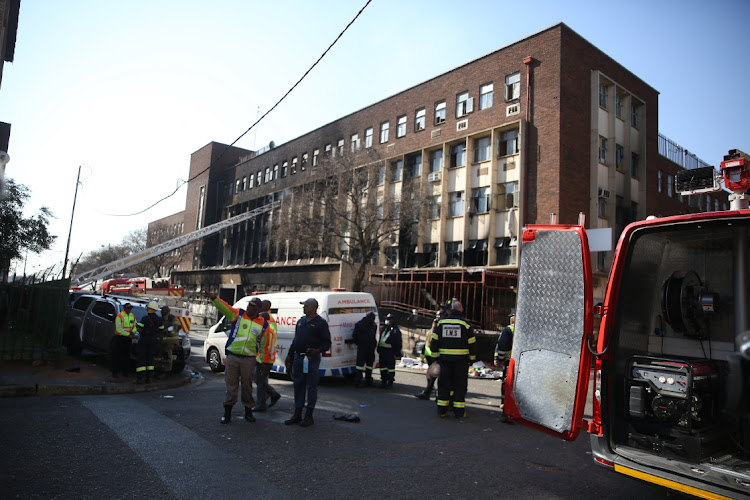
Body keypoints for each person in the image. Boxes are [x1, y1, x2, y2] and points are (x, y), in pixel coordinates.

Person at [203, 291, 270, 424]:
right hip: (233, 356)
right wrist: (214, 298)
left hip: (249, 359)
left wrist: (264, 362)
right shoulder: (238, 315)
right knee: (231, 386)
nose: (249, 307)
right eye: (249, 305)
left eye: (252, 306)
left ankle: (248, 412)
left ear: (258, 309)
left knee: (247, 386)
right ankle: (227, 413)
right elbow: (225, 307)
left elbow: (265, 345)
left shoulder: (263, 324)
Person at [284, 298, 331, 427]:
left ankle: (309, 415)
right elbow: (296, 340)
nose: (303, 308)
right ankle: (297, 414)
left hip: (311, 359)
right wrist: (289, 355)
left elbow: (327, 343)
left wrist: (317, 350)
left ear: (313, 307)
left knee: (311, 386)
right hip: (299, 358)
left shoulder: (321, 323)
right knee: (298, 385)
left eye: (306, 306)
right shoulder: (300, 322)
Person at [432, 299, 477, 418]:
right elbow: (472, 343)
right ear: (460, 309)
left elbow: (434, 342)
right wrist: (471, 359)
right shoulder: (466, 324)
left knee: (444, 385)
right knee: (459, 386)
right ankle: (459, 412)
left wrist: (435, 358)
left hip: (445, 361)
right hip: (461, 362)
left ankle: (442, 411)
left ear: (451, 310)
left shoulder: (441, 323)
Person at [414, 302, 449, 400]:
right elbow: (430, 340)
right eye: (437, 315)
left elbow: (437, 341)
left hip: (441, 355)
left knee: (439, 376)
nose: (437, 317)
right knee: (433, 375)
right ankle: (428, 392)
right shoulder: (435, 325)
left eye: (439, 315)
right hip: (433, 355)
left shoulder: (443, 325)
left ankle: (434, 394)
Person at [252, 300, 281, 412]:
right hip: (262, 356)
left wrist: (265, 359)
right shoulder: (266, 318)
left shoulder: (267, 320)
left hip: (265, 357)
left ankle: (261, 404)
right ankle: (272, 394)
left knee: (261, 381)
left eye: (261, 305)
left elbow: (267, 341)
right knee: (259, 380)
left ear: (266, 306)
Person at [135, 301, 164, 384]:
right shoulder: (159, 319)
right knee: (150, 359)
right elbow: (161, 329)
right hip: (153, 341)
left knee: (141, 358)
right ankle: (149, 377)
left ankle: (141, 377)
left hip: (144, 340)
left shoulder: (144, 319)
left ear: (149, 309)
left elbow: (139, 329)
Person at [495, 313, 515, 423]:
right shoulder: (526, 329)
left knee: (507, 387)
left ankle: (506, 413)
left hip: (510, 363)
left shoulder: (509, 330)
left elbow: (501, 345)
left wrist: (499, 359)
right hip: (525, 364)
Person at [350, 311, 377, 388]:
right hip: (363, 347)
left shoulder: (373, 325)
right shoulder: (360, 324)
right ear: (368, 317)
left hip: (371, 348)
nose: (373, 320)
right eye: (372, 318)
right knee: (359, 366)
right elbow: (355, 336)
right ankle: (358, 381)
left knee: (369, 365)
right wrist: (360, 344)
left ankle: (368, 381)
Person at [377, 313, 402, 389]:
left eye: (389, 319)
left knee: (390, 367)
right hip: (382, 350)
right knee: (382, 367)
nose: (387, 321)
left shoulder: (395, 330)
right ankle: (383, 381)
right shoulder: (384, 328)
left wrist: (397, 353)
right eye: (386, 319)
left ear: (392, 320)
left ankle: (390, 382)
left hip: (390, 351)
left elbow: (398, 342)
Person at [112, 303, 137, 378]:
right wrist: (128, 334)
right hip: (120, 338)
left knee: (126, 356)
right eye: (128, 308)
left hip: (128, 339)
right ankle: (115, 373)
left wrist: (133, 331)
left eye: (130, 308)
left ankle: (125, 372)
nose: (129, 309)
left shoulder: (132, 316)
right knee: (117, 356)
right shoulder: (120, 316)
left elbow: (135, 325)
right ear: (124, 308)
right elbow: (118, 329)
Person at [156, 305, 181, 377]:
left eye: (162, 310)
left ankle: (166, 373)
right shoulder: (161, 318)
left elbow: (177, 327)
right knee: (159, 357)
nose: (161, 311)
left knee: (167, 357)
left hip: (169, 341)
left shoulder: (171, 318)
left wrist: (168, 333)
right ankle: (158, 371)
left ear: (166, 311)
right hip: (161, 341)